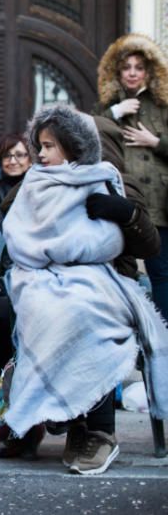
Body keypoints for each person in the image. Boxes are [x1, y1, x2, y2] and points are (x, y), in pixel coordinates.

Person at [1, 105, 168, 474]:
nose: (41, 154)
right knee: (53, 310)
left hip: (107, 285)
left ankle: (98, 431)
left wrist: (124, 213)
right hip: (46, 281)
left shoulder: (117, 184)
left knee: (87, 316)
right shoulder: (36, 181)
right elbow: (15, 226)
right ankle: (67, 416)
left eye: (51, 145)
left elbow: (150, 247)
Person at [95, 33, 168, 316]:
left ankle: (163, 334)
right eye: (127, 67)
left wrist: (156, 142)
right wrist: (114, 111)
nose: (133, 73)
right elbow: (85, 134)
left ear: (149, 71)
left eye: (139, 67)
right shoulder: (106, 106)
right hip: (119, 196)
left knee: (161, 270)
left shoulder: (162, 106)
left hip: (159, 200)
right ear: (117, 72)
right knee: (118, 267)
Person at [0, 133, 31, 233]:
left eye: (19, 155)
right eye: (7, 156)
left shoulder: (38, 186)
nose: (12, 161)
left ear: (30, 160)